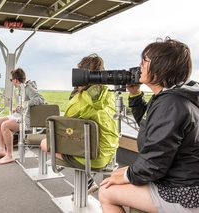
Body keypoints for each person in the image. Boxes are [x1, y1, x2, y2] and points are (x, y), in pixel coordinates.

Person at [99, 38, 199, 213]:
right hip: (179, 177)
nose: (140, 67)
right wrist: (135, 94)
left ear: (161, 67)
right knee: (116, 175)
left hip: (184, 192)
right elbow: (149, 126)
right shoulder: (172, 97)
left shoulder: (171, 104)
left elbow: (154, 163)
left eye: (144, 62)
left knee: (106, 191)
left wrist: (127, 176)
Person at [41, 53, 119, 170]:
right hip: (108, 156)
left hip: (88, 159)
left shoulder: (78, 101)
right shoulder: (111, 97)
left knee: (44, 142)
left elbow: (65, 128)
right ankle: (88, 181)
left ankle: (85, 177)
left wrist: (77, 94)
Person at [0, 68, 45, 164]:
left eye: (11, 80)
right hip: (20, 115)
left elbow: (40, 99)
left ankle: (9, 155)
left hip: (27, 119)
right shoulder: (22, 88)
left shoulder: (28, 88)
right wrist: (18, 108)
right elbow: (26, 105)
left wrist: (24, 104)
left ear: (15, 80)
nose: (11, 82)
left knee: (5, 125)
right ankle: (1, 149)